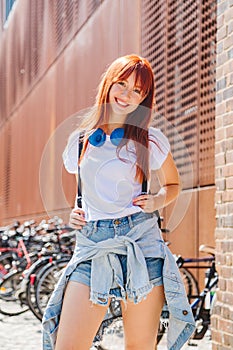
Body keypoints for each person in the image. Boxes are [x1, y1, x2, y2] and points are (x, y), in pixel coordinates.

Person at [42, 54, 195, 350]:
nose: (126, 95)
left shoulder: (150, 140)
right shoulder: (80, 141)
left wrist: (157, 200)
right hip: (94, 243)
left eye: (137, 91)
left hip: (141, 243)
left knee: (139, 346)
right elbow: (81, 193)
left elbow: (174, 184)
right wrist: (71, 214)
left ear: (144, 99)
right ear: (108, 84)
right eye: (122, 84)